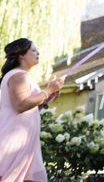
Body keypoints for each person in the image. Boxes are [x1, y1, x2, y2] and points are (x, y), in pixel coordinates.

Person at [0, 38, 64, 182]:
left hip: (25, 139)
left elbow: (29, 106)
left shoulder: (21, 75)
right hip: (15, 139)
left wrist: (49, 96)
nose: (38, 53)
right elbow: (21, 105)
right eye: (34, 50)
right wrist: (48, 90)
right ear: (21, 55)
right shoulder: (19, 75)